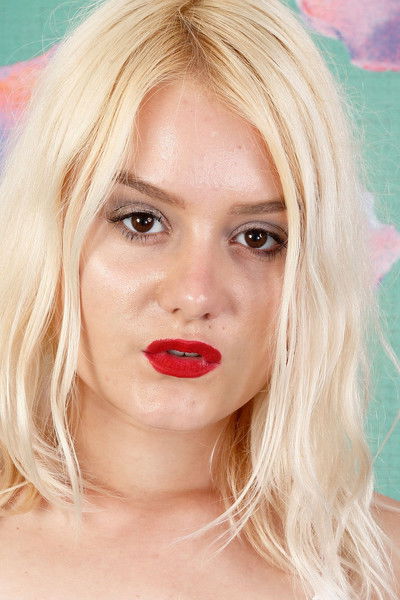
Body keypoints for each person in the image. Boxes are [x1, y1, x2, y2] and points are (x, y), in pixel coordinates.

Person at [0, 0, 399, 598]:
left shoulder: (382, 565)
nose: (195, 294)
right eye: (140, 221)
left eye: (258, 238)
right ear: (47, 233)